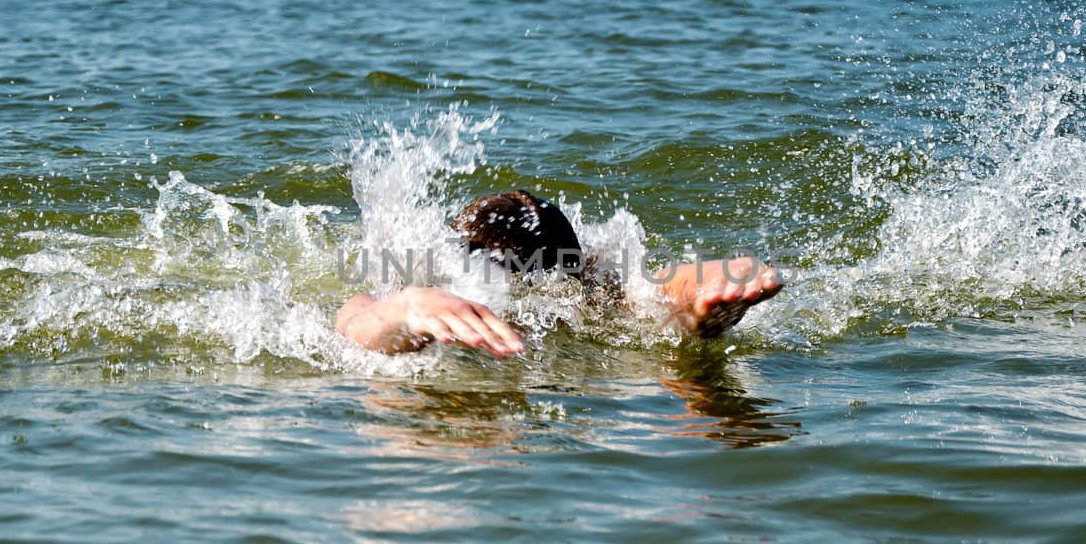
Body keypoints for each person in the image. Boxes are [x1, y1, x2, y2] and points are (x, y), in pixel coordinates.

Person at [335, 190, 783, 357]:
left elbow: (668, 279)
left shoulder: (592, 287)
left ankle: (704, 319)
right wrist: (409, 306)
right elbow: (353, 323)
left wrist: (729, 277)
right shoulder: (419, 285)